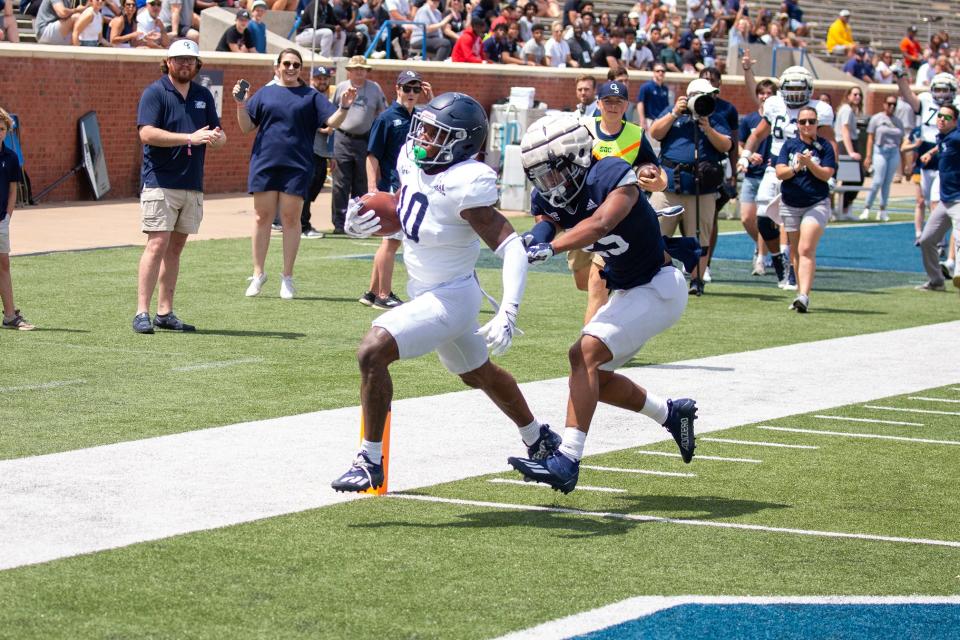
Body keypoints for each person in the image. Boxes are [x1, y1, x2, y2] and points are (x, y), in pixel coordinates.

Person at [330, 93, 559, 493]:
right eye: (425, 127)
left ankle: (369, 460)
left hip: (451, 297)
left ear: (463, 143)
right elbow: (411, 213)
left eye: (437, 133)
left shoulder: (467, 183)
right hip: (426, 291)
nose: (424, 137)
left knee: (372, 350)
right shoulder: (412, 161)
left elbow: (511, 248)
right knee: (478, 374)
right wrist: (369, 222)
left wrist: (508, 309)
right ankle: (538, 437)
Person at [507, 115, 698, 494]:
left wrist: (553, 246)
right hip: (628, 291)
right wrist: (531, 239)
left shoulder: (610, 172)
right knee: (594, 377)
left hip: (660, 285)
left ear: (576, 156)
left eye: (554, 172)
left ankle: (568, 460)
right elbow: (546, 222)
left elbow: (601, 224)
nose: (550, 184)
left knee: (583, 354)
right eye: (541, 176)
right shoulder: (550, 192)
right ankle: (670, 413)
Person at [235, 49, 355, 301]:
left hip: (297, 165)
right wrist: (240, 104)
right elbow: (246, 127)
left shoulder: (310, 95)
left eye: (296, 64)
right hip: (264, 162)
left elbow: (331, 122)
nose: (291, 68)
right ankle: (258, 274)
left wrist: (344, 106)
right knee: (261, 217)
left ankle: (286, 277)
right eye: (286, 63)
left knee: (291, 219)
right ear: (277, 66)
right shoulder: (265, 93)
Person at [134, 40, 226, 334]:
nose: (185, 64)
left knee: (175, 249)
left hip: (191, 183)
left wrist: (217, 139)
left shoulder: (203, 95)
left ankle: (165, 312)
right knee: (157, 244)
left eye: (191, 60)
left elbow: (216, 131)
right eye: (179, 59)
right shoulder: (155, 92)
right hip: (161, 181)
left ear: (198, 65)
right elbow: (146, 133)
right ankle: (141, 313)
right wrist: (189, 138)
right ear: (168, 62)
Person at [564, 79, 663, 325]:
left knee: (598, 282)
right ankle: (615, 303)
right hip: (583, 216)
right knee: (582, 280)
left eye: (618, 102)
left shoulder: (636, 134)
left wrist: (655, 181)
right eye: (608, 101)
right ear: (598, 104)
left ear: (626, 105)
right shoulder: (583, 128)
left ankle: (590, 345)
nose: (612, 106)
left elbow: (655, 171)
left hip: (618, 220)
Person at [741, 66, 835, 291]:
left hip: (806, 172)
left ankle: (793, 269)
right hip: (777, 168)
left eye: (798, 88)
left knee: (796, 225)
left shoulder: (818, 110)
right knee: (763, 219)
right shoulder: (774, 104)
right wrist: (745, 154)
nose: (793, 93)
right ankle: (779, 260)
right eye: (789, 88)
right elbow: (758, 133)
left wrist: (832, 173)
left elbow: (830, 142)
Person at [649, 77, 732, 296]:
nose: (707, 99)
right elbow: (654, 132)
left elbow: (726, 144)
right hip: (668, 185)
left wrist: (708, 129)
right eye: (702, 95)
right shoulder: (674, 111)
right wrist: (675, 113)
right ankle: (653, 275)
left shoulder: (714, 115)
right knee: (655, 232)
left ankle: (697, 279)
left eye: (711, 94)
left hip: (701, 187)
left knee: (701, 237)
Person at [360, 70, 434, 310]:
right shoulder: (386, 118)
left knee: (389, 241)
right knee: (391, 242)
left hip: (409, 185)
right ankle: (383, 294)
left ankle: (371, 292)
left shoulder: (420, 116)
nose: (411, 93)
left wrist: (431, 102)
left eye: (416, 89)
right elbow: (372, 155)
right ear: (397, 89)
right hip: (394, 185)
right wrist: (372, 187)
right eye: (407, 88)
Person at [774, 106, 837, 312]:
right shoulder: (789, 146)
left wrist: (809, 164)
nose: (807, 125)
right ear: (797, 124)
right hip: (791, 203)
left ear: (817, 123)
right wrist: (796, 167)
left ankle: (804, 295)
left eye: (811, 121)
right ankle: (800, 294)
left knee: (806, 248)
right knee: (795, 250)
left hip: (816, 203)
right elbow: (780, 172)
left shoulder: (825, 147)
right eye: (803, 122)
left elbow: (826, 174)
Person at [896, 71, 960, 234]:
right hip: (926, 155)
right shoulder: (925, 101)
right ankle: (928, 234)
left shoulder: (957, 106)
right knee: (923, 199)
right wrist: (900, 77)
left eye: (945, 90)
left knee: (937, 200)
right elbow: (907, 94)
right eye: (937, 90)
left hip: (949, 154)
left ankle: (938, 238)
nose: (940, 94)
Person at [330, 55, 387, 234]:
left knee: (361, 183)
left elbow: (382, 112)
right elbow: (331, 113)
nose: (359, 72)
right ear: (349, 71)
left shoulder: (374, 89)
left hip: (365, 139)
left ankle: (360, 223)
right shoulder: (341, 88)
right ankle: (339, 224)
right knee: (340, 184)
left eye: (362, 69)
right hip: (343, 138)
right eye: (356, 69)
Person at [916, 103, 960, 292]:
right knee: (927, 240)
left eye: (947, 117)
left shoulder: (957, 137)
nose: (941, 119)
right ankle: (936, 281)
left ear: (956, 121)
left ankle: (958, 272)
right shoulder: (942, 137)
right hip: (945, 199)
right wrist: (930, 152)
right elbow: (942, 146)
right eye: (940, 116)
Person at [738, 79, 777, 276]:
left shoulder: (779, 118)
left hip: (770, 175)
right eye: (761, 93)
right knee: (746, 218)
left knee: (763, 218)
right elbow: (741, 143)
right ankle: (765, 246)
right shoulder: (749, 119)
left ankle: (761, 258)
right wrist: (747, 155)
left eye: (768, 92)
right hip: (752, 174)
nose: (764, 96)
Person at [0, 109, 33, 331]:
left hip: (0, 219)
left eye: (1, 129)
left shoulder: (10, 157)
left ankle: (10, 316)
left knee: (3, 264)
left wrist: (7, 216)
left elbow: (13, 190)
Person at [300, 67, 336, 239]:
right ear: (312, 79)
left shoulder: (327, 97)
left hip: (323, 151)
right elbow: (303, 120)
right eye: (319, 78)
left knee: (315, 187)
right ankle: (303, 225)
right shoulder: (308, 96)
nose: (322, 81)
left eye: (325, 78)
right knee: (306, 189)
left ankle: (300, 221)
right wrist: (324, 129)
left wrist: (332, 154)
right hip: (309, 150)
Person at [861, 97, 904, 222]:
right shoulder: (877, 118)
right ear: (884, 104)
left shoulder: (898, 121)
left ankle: (883, 209)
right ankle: (867, 207)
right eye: (889, 103)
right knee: (877, 181)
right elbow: (870, 137)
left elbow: (902, 138)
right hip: (880, 151)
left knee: (887, 182)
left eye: (894, 104)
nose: (892, 106)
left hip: (893, 151)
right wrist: (868, 155)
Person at [834, 86, 863, 220]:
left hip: (849, 143)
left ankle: (844, 208)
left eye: (859, 95)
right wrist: (851, 151)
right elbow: (844, 130)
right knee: (854, 178)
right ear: (849, 96)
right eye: (855, 94)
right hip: (845, 144)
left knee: (853, 179)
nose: (858, 97)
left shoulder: (850, 110)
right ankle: (842, 209)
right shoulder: (846, 109)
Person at [636, 63, 669, 129]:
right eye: (658, 71)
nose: (660, 73)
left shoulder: (665, 88)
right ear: (654, 72)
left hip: (662, 121)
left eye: (663, 71)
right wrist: (642, 121)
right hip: (650, 121)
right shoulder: (646, 87)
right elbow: (640, 104)